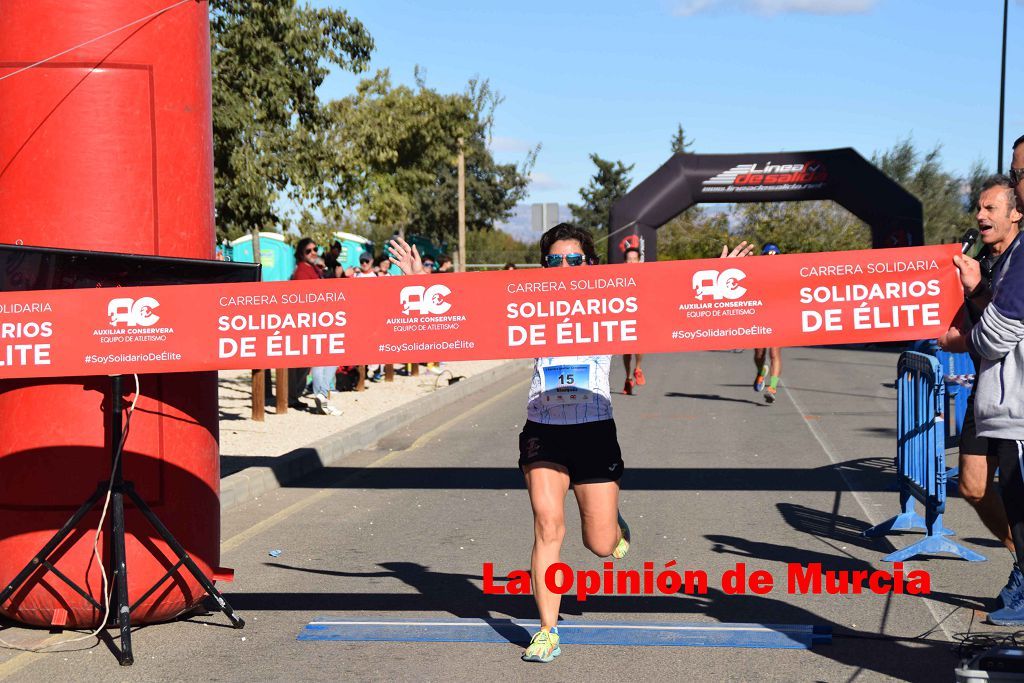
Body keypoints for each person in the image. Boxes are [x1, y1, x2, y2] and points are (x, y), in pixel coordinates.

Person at [389, 226, 752, 661]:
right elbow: (466, 310)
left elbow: (675, 304)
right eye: (556, 261)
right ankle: (546, 630)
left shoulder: (613, 303)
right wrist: (419, 281)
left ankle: (613, 522)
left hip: (595, 429)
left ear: (590, 265)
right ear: (544, 268)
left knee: (600, 544)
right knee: (547, 524)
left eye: (575, 260)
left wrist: (721, 275)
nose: (565, 268)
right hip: (543, 427)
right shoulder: (527, 305)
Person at [939, 172, 1024, 625]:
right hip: (986, 391)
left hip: (1015, 396)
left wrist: (965, 335)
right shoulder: (973, 259)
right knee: (972, 486)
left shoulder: (1019, 260)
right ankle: (1021, 559)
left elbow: (998, 330)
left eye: (991, 208)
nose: (980, 215)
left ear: (1016, 214)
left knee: (1019, 493)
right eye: (978, 207)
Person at [289, 238, 342, 416]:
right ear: (300, 254)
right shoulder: (302, 271)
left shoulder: (313, 269)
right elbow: (306, 298)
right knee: (322, 358)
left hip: (318, 319)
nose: (313, 253)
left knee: (316, 362)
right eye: (308, 251)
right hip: (311, 321)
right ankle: (320, 395)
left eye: (315, 249)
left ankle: (312, 394)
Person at [753, 243, 783, 403]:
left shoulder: (785, 273)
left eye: (775, 255)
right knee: (759, 354)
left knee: (774, 354)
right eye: (768, 255)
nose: (771, 258)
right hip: (759, 316)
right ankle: (760, 372)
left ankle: (772, 388)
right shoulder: (755, 272)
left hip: (777, 317)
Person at [620, 247, 645, 395]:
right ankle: (628, 378)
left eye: (634, 259)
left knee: (639, 345)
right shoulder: (620, 277)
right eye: (629, 259)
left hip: (640, 314)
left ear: (638, 260)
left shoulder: (644, 275)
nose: (631, 262)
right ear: (625, 261)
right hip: (625, 315)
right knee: (626, 351)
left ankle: (638, 368)